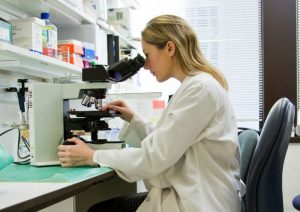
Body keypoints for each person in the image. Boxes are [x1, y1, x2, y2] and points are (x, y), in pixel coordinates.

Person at [58, 14, 241, 212]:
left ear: (170, 48)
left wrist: (92, 156)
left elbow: (153, 158)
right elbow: (168, 142)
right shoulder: (197, 86)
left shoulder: (199, 89)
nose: (145, 65)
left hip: (199, 202)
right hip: (194, 192)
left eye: (147, 54)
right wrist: (134, 119)